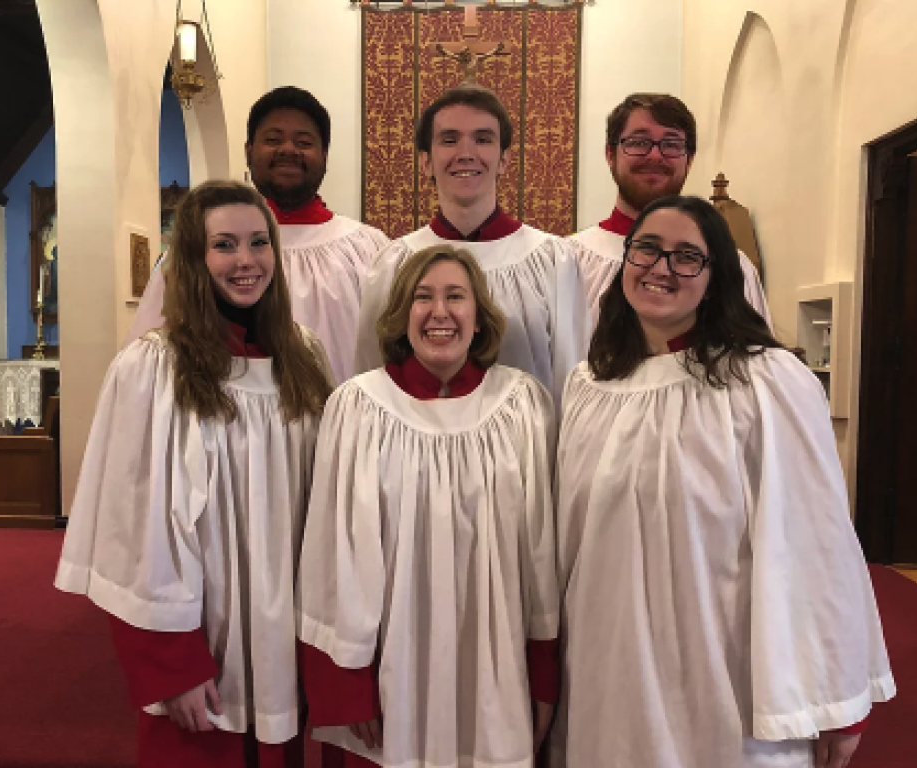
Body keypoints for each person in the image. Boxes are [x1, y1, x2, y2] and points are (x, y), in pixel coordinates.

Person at [551, 196, 894, 768]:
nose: (661, 268)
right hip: (608, 662)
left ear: (717, 280)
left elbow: (817, 543)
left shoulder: (765, 382)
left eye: (688, 257)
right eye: (648, 249)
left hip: (721, 664)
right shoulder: (590, 384)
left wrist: (835, 698)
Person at [56, 180, 333, 768]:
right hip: (201, 641)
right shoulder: (155, 367)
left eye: (259, 243)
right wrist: (171, 663)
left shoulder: (303, 357)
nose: (246, 261)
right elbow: (134, 527)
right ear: (192, 258)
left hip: (284, 634)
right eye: (224, 245)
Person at [299, 245, 560, 768]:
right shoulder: (358, 407)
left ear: (479, 316)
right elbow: (334, 550)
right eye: (423, 297)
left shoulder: (522, 405)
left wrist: (544, 672)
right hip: (393, 662)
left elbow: (541, 552)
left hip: (495, 664)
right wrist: (348, 682)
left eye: (455, 296)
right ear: (401, 314)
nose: (440, 311)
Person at [129, 86, 388, 384]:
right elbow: (150, 359)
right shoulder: (196, 247)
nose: (288, 150)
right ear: (249, 151)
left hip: (343, 424)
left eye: (304, 142)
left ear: (325, 156)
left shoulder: (369, 250)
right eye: (273, 139)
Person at [354, 85, 589, 407]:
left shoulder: (552, 259)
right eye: (449, 139)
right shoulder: (394, 263)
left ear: (504, 159)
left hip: (524, 449)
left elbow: (573, 379)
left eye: (483, 139)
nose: (466, 152)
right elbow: (370, 381)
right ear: (425, 162)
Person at [569, 93, 772, 326]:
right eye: (638, 142)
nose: (655, 155)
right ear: (610, 155)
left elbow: (755, 358)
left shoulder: (730, 265)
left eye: (672, 144)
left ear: (690, 160)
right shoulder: (568, 260)